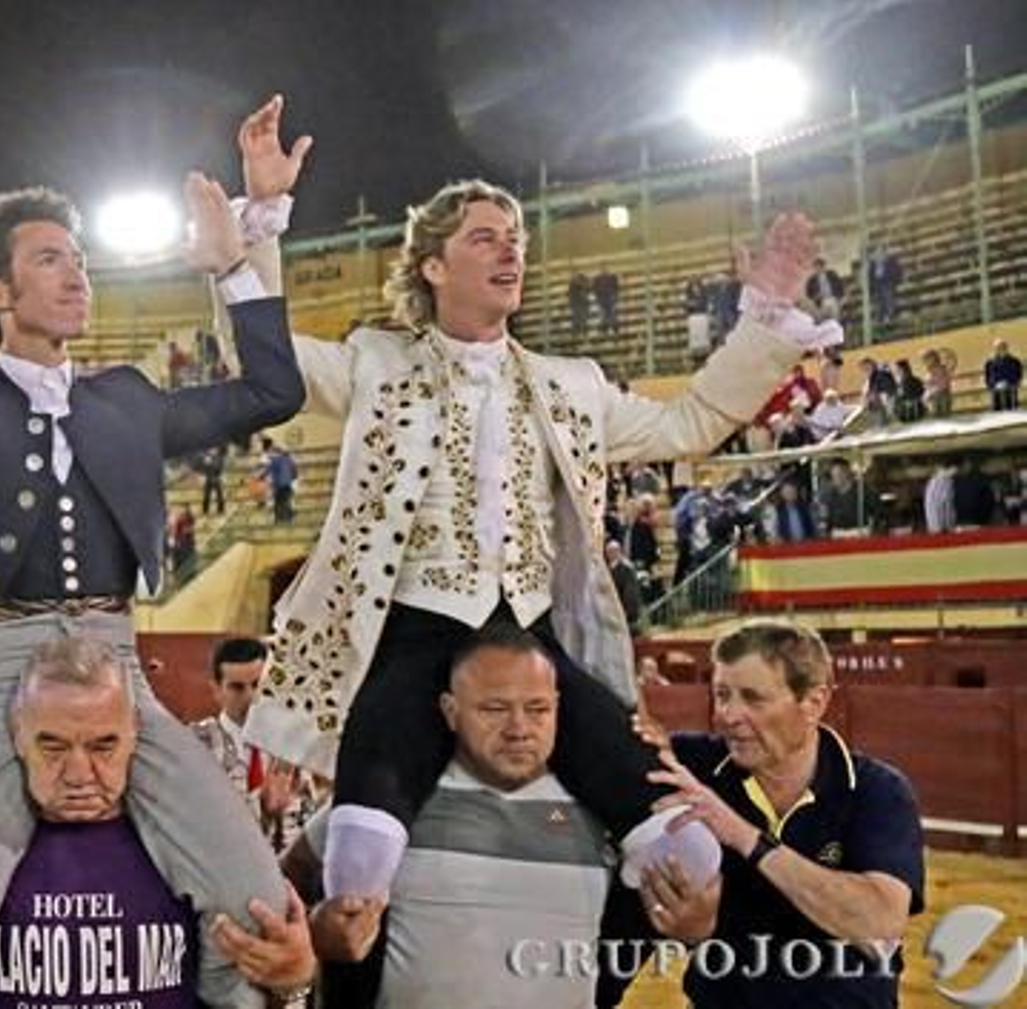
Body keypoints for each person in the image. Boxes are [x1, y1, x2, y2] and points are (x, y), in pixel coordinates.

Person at [231, 143, 839, 922]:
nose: (510, 249)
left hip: (533, 637)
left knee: (688, 847)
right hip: (414, 631)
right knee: (360, 860)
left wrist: (765, 319)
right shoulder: (373, 361)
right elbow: (264, 361)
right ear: (432, 266)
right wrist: (263, 220)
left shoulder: (571, 384)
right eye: (484, 237)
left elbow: (688, 424)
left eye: (515, 237)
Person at [0, 98, 306, 988]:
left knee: (257, 906)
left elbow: (273, 392)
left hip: (118, 671)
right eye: (50, 259)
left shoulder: (128, 399)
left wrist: (236, 260)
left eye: (79, 259)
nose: (77, 273)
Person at [0, 637, 315, 1008]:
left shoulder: (191, 845)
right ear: (17, 736)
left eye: (103, 746)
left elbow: (261, 994)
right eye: (53, 746)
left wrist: (294, 981)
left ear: (136, 734)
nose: (78, 774)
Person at [283, 627, 617, 1008]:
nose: (519, 729)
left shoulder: (600, 810)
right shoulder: (394, 806)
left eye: (538, 709)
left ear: (557, 707)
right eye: (494, 709)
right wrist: (316, 930)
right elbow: (287, 880)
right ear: (450, 710)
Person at [646, 620, 923, 1007]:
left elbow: (879, 924)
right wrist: (693, 929)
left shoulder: (876, 790)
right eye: (722, 695)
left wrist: (743, 835)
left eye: (753, 698)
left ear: (814, 703)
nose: (728, 715)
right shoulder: (693, 765)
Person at [192, 638, 314, 854]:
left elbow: (307, 822)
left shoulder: (291, 744)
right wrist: (261, 807)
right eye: (237, 687)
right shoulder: (194, 745)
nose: (250, 697)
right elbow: (196, 823)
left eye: (258, 685)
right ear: (216, 690)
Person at [985, 338, 1022, 411]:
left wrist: (1011, 383)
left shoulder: (1014, 361)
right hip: (996, 391)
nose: (1001, 349)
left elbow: (1019, 374)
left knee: (1012, 411)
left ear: (1006, 348)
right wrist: (993, 385)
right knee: (997, 412)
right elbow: (988, 376)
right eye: (998, 348)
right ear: (995, 349)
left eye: (1003, 347)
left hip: (1011, 390)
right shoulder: (990, 362)